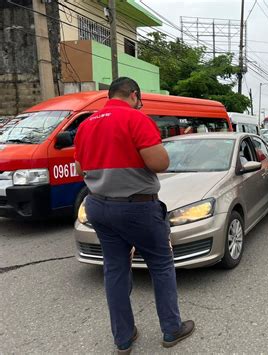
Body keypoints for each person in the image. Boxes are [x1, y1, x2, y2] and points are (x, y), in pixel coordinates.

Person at [74, 77, 194, 353]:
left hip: (98, 206)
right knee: (162, 265)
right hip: (137, 207)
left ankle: (123, 338)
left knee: (114, 269)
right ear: (134, 95)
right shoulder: (136, 119)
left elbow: (81, 167)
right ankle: (171, 329)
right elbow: (160, 163)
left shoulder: (86, 124)